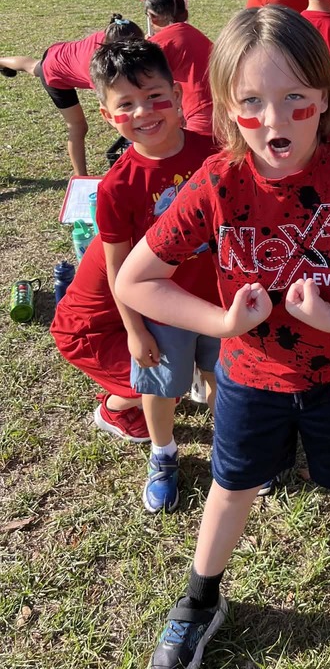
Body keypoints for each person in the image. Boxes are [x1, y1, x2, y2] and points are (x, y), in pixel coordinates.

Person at [114, 6, 330, 669]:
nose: (275, 121)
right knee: (231, 487)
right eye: (252, 103)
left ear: (326, 96)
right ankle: (201, 599)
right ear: (224, 105)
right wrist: (221, 325)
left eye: (296, 99)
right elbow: (135, 280)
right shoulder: (216, 181)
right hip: (248, 378)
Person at [91, 40, 221, 514]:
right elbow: (117, 268)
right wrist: (133, 328)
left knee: (220, 376)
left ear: (179, 94)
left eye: (154, 95)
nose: (144, 111)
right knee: (160, 387)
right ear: (108, 116)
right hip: (160, 309)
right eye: (126, 103)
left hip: (221, 302)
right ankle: (163, 454)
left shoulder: (217, 152)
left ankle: (231, 449)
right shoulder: (116, 187)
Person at [0, 14, 143, 176]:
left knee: (33, 66)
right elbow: (110, 110)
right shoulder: (98, 68)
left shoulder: (114, 33)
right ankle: (80, 176)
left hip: (59, 53)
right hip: (55, 75)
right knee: (78, 127)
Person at [50, 233, 150, 442]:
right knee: (163, 382)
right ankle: (112, 410)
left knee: (171, 375)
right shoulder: (129, 241)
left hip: (117, 324)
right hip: (87, 334)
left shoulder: (135, 230)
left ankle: (133, 393)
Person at [139, 0, 214, 135]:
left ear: (153, 17)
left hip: (200, 114)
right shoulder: (193, 33)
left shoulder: (160, 44)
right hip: (222, 105)